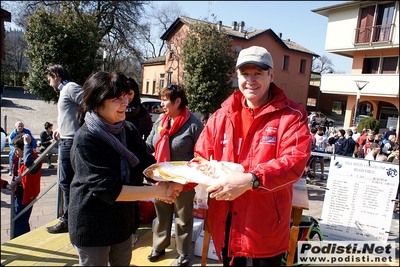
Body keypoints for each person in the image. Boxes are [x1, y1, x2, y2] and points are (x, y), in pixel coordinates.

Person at [193, 46, 311, 266]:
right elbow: (201, 157)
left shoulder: (292, 116)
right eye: (245, 73)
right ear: (237, 76)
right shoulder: (221, 116)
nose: (251, 80)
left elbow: (295, 161)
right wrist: (177, 181)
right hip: (225, 223)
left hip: (264, 230)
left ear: (271, 75)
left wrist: (252, 179)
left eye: (258, 73)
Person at [69, 71, 178, 266]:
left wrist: (170, 179)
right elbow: (108, 189)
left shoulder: (127, 129)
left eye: (125, 97)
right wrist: (159, 191)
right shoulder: (86, 138)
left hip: (123, 222)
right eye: (116, 99)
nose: (125, 103)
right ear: (97, 102)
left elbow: (146, 162)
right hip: (92, 225)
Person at [146, 84, 204, 266]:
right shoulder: (160, 121)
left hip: (183, 182)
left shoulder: (194, 124)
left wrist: (183, 179)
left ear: (177, 101)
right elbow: (149, 144)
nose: (162, 103)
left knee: (183, 217)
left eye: (165, 99)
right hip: (160, 179)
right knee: (161, 214)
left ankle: (184, 253)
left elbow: (200, 155)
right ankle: (159, 246)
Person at [44, 64, 83, 234]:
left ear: (55, 75)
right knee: (66, 182)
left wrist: (80, 129)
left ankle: (69, 220)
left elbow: (89, 103)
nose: (49, 83)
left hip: (71, 141)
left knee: (67, 182)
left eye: (49, 79)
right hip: (67, 139)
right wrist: (61, 127)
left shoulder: (70, 87)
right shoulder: (65, 90)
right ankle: (70, 218)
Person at [11, 133, 42, 238]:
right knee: (21, 220)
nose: (15, 153)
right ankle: (25, 237)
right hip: (19, 193)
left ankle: (18, 239)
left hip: (27, 195)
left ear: (24, 149)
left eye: (17, 150)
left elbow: (29, 163)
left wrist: (27, 144)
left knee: (19, 222)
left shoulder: (34, 159)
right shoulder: (19, 157)